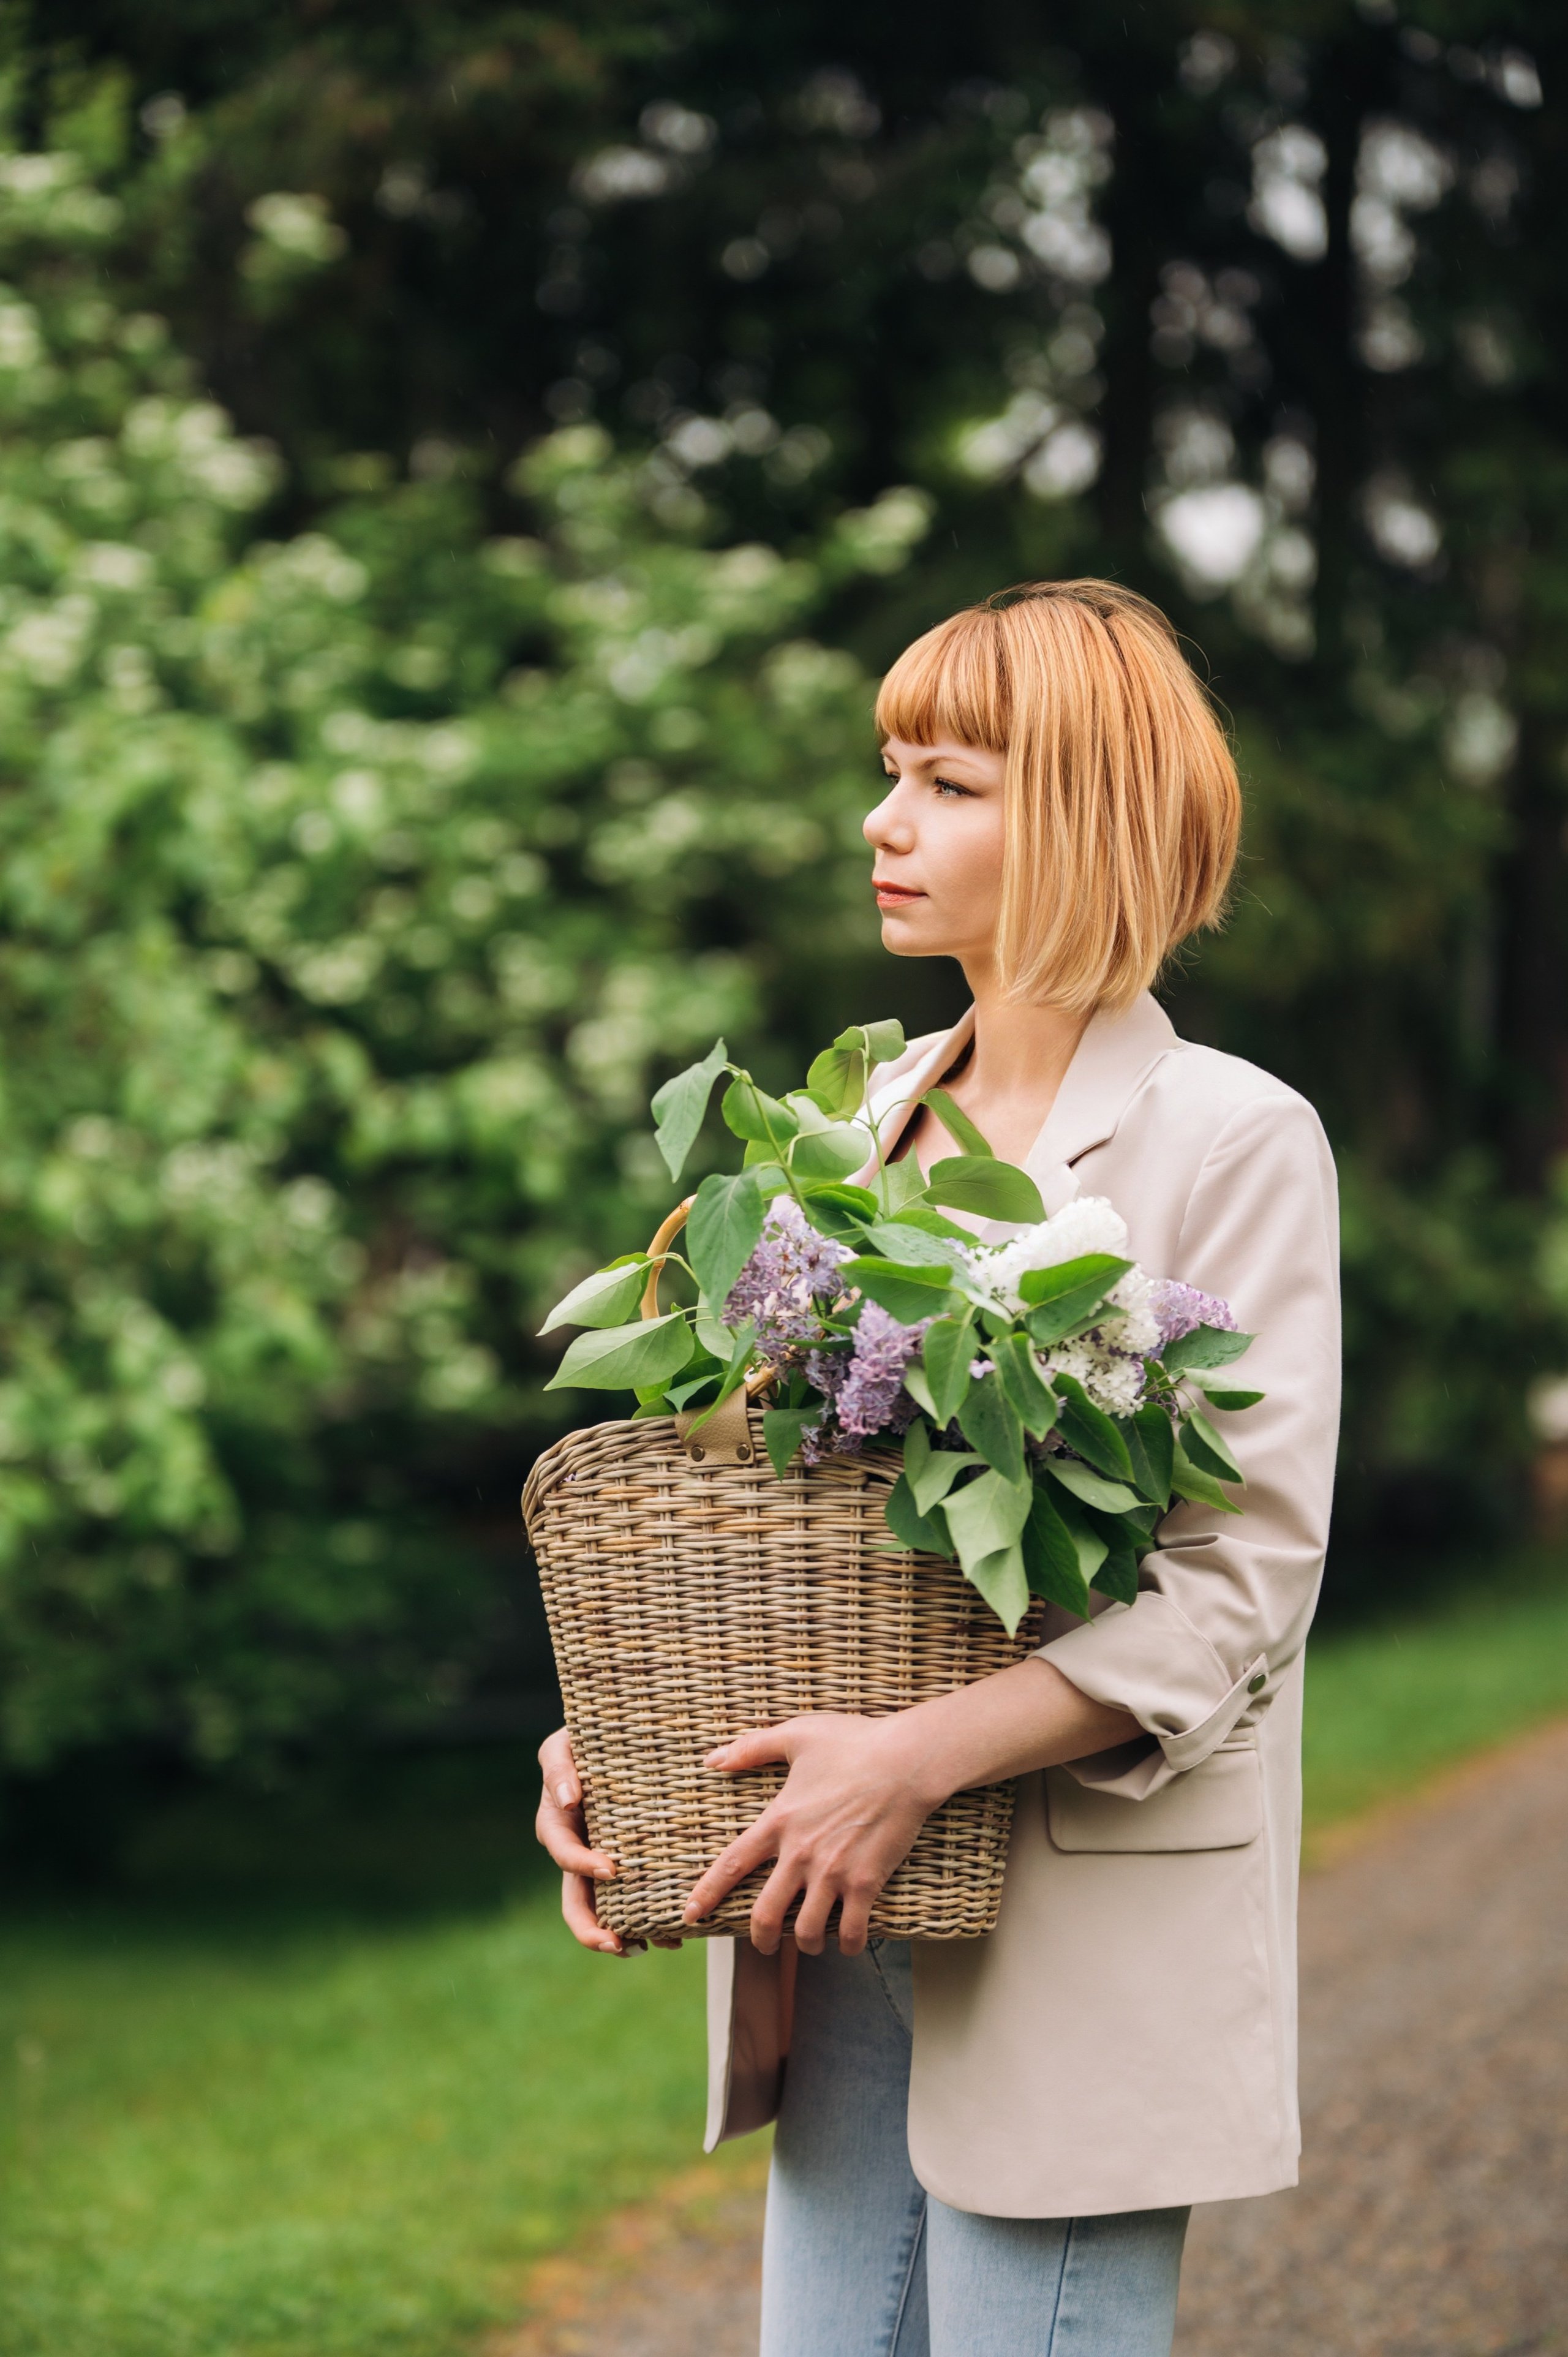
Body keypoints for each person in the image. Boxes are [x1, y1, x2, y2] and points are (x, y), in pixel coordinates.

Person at [535, 581, 1341, 2357]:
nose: (883, 825)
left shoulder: (1237, 1136)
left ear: (1080, 814)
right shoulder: (858, 1120)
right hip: (836, 1928)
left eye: (949, 783)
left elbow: (1244, 1583)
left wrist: (914, 1760)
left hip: (1078, 1920)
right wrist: (626, 1730)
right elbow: (773, 1521)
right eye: (891, 773)